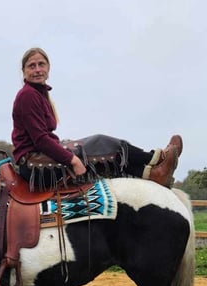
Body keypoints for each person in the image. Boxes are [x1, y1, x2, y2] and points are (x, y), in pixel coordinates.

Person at [11, 47, 182, 189]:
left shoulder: (39, 94)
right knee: (100, 143)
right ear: (24, 72)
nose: (37, 69)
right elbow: (40, 140)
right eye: (31, 66)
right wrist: (73, 160)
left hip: (41, 157)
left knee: (100, 146)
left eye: (41, 64)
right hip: (34, 165)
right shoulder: (28, 95)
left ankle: (152, 173)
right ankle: (156, 158)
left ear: (48, 68)